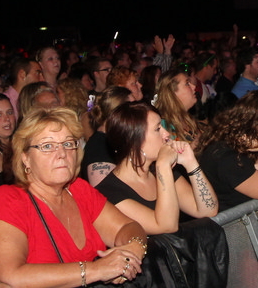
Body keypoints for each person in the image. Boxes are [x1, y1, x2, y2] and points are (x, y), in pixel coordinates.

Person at [0, 107, 149, 288]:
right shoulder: (6, 199)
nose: (62, 153)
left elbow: (128, 227)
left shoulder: (78, 190)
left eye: (68, 144)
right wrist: (96, 270)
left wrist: (134, 248)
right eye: (47, 146)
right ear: (25, 158)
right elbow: (7, 279)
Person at [96, 103, 218, 233]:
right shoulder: (109, 194)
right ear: (133, 142)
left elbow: (208, 210)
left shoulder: (160, 171)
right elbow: (167, 226)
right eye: (157, 129)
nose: (167, 134)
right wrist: (163, 166)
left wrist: (190, 163)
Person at [81, 86, 135, 187]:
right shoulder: (99, 147)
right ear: (117, 114)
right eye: (133, 109)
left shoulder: (119, 139)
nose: (139, 113)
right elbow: (105, 192)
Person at [153, 69, 203, 147]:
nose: (194, 87)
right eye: (187, 83)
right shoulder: (164, 126)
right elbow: (171, 153)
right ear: (172, 94)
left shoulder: (188, 120)